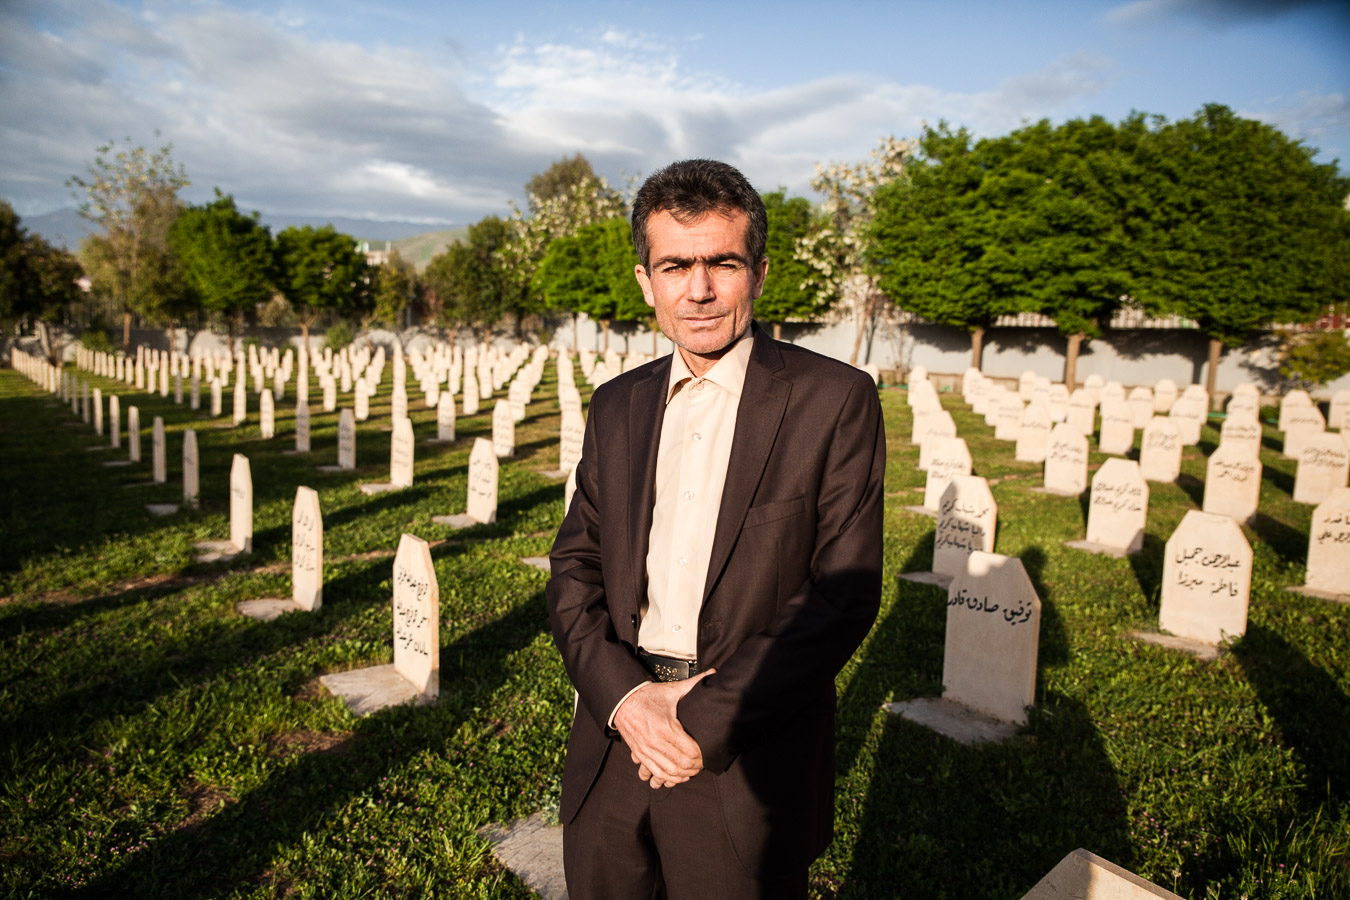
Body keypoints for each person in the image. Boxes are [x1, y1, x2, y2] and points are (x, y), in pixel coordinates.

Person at [547, 158, 885, 898]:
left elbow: (842, 595)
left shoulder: (835, 401)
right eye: (675, 266)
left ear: (759, 274)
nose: (697, 290)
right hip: (614, 741)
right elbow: (574, 569)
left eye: (721, 264)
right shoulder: (616, 405)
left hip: (741, 752)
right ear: (646, 282)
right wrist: (628, 702)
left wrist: (701, 719)